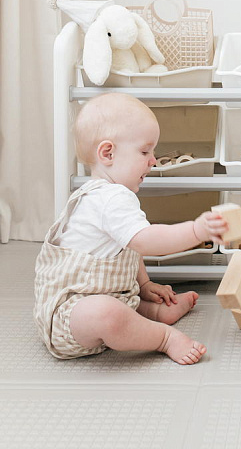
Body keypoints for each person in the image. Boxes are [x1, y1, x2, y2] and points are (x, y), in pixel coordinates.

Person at [34, 92, 228, 365]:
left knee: (118, 308)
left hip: (108, 296)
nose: (153, 161)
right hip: (69, 319)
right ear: (108, 153)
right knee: (107, 313)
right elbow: (145, 242)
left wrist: (144, 284)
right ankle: (163, 337)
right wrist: (196, 231)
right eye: (145, 151)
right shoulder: (110, 199)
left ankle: (156, 313)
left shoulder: (102, 193)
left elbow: (128, 248)